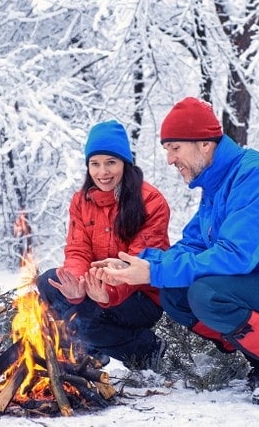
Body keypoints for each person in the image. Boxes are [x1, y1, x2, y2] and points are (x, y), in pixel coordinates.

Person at [92, 97, 259, 408]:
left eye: (175, 148)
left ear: (204, 144)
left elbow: (236, 256)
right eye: (167, 149)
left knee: (208, 294)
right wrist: (141, 261)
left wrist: (153, 271)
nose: (170, 159)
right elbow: (193, 245)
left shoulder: (255, 176)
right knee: (175, 293)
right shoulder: (216, 186)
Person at [36, 120, 170, 370]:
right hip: (95, 286)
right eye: (95, 164)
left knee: (84, 318)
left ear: (125, 164)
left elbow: (139, 261)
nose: (102, 172)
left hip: (140, 296)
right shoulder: (81, 201)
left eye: (111, 162)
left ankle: (146, 349)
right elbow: (78, 249)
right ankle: (94, 346)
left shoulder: (151, 201)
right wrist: (76, 284)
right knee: (48, 282)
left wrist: (108, 292)